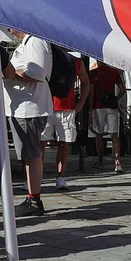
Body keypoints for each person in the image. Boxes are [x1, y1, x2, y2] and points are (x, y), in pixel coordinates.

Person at [1, 30, 52, 218]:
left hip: (29, 107)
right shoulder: (30, 42)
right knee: (29, 154)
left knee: (31, 154)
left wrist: (11, 75)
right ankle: (32, 197)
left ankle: (34, 200)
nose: (8, 30)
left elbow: (37, 73)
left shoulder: (36, 41)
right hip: (24, 106)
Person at [42, 55, 90, 191]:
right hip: (46, 106)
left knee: (64, 143)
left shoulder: (76, 62)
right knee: (40, 143)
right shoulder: (47, 56)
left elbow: (85, 81)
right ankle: (36, 177)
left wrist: (80, 104)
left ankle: (60, 177)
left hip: (66, 108)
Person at [89, 60, 125, 173]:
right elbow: (122, 90)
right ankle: (117, 161)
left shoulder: (93, 73)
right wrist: (115, 99)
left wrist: (90, 108)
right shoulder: (114, 72)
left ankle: (100, 160)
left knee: (99, 134)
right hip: (111, 106)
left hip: (98, 105)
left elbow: (91, 92)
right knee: (114, 134)